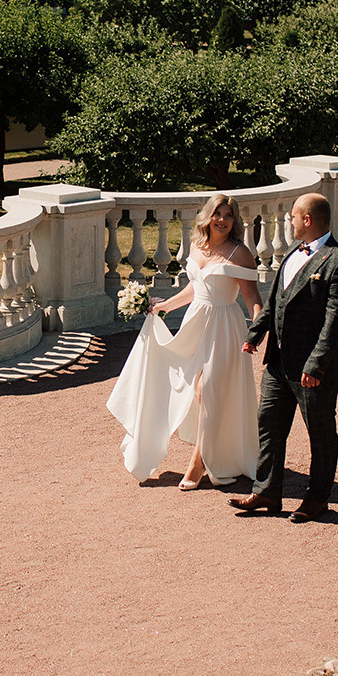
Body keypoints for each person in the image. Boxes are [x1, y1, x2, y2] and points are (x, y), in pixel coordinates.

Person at [107, 194, 263, 490]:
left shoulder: (240, 253)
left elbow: (251, 296)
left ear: (235, 221)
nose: (222, 220)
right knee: (190, 388)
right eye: (218, 213)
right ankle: (209, 454)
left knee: (209, 390)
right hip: (195, 324)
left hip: (224, 326)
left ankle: (198, 462)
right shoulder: (198, 246)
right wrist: (167, 305)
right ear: (208, 216)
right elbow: (197, 287)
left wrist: (258, 327)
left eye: (229, 216)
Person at [241, 193, 338, 521]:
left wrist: (316, 364)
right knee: (269, 425)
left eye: (293, 217)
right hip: (278, 363)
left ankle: (317, 498)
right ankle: (266, 492)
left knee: (319, 433)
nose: (289, 222)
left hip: (313, 369)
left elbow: (335, 320)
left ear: (307, 220)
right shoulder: (293, 253)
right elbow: (276, 299)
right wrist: (256, 333)